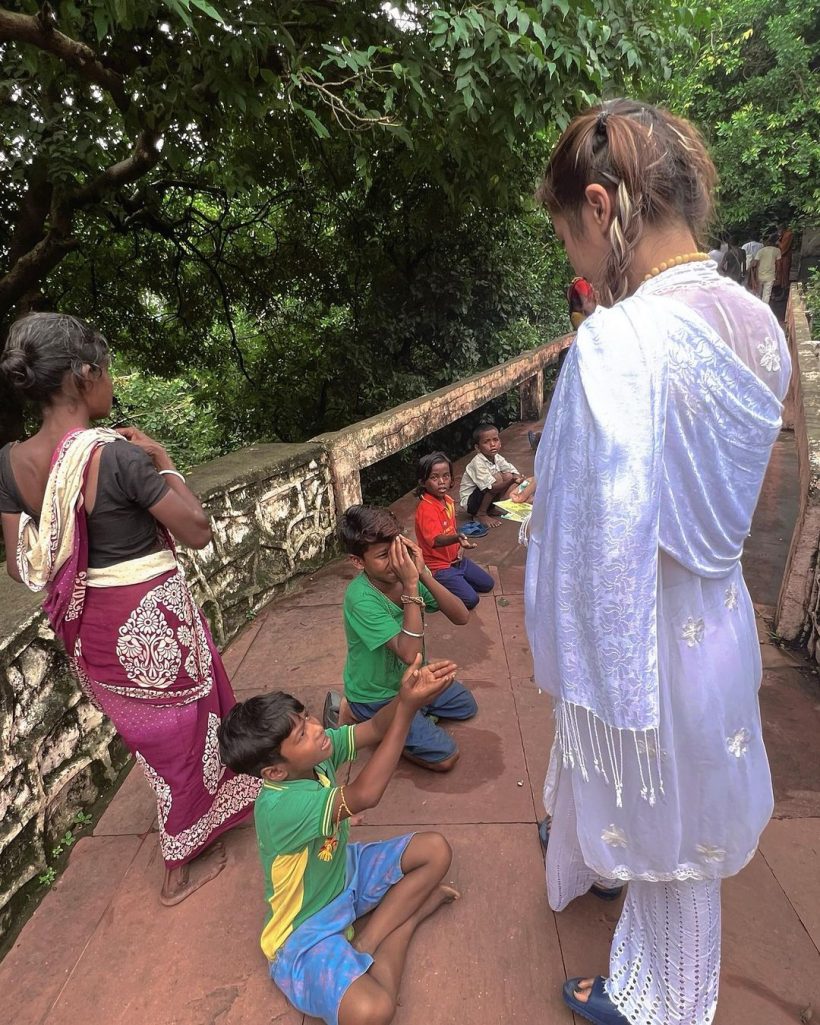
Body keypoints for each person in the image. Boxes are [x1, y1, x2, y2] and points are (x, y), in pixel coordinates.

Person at [526, 99, 790, 1025]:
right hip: (717, 620)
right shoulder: (762, 327)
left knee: (671, 845)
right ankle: (600, 877)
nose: (572, 257)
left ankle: (660, 1000)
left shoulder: (618, 343)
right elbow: (751, 502)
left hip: (644, 641)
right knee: (684, 819)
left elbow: (584, 539)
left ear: (600, 208)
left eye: (567, 232)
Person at [0, 313, 260, 906]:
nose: (111, 380)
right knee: (188, 729)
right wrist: (164, 458)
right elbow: (197, 530)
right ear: (84, 375)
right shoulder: (116, 458)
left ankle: (193, 820)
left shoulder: (8, 462)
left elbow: (21, 567)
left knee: (152, 739)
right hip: (150, 621)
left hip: (90, 631)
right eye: (107, 368)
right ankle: (180, 856)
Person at [218, 654, 460, 1025]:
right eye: (302, 734)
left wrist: (407, 694)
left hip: (344, 873)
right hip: (305, 931)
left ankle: (366, 942)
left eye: (307, 718)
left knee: (435, 850)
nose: (316, 728)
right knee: (372, 1012)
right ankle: (404, 925)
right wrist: (408, 713)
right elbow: (365, 794)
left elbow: (376, 728)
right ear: (275, 771)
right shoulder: (280, 805)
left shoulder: (316, 755)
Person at [338, 505, 475, 772]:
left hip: (413, 679)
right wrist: (411, 585)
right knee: (446, 758)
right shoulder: (360, 599)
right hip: (377, 694)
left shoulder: (408, 574)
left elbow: (461, 616)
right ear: (358, 561)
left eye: (398, 551)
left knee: (465, 706)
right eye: (383, 556)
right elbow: (409, 654)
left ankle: (411, 714)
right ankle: (364, 718)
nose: (397, 562)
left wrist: (423, 573)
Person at [413, 451, 494, 610]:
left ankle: (456, 580)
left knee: (488, 584)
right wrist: (457, 538)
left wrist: (459, 547)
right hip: (438, 566)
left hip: (457, 560)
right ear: (423, 482)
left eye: (446, 476)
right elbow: (435, 540)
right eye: (434, 477)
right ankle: (432, 583)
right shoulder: (426, 509)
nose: (441, 482)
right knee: (471, 600)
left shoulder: (448, 501)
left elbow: (449, 527)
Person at [459, 423, 532, 529]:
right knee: (497, 479)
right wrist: (513, 480)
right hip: (471, 503)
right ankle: (481, 514)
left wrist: (518, 479)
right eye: (486, 442)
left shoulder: (497, 457)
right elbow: (492, 488)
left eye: (495, 440)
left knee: (507, 475)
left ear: (500, 443)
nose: (492, 444)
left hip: (484, 495)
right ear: (478, 448)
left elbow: (512, 472)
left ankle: (490, 508)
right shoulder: (477, 462)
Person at [750, 232, 782, 304]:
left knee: (758, 293)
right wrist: (778, 275)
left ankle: (757, 307)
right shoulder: (777, 251)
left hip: (760, 275)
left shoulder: (761, 251)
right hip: (770, 276)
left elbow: (754, 264)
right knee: (767, 294)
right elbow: (779, 265)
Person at [776, 223, 794, 293]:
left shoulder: (788, 234)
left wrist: (778, 243)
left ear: (782, 229)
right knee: (780, 272)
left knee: (785, 272)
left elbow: (784, 247)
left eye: (779, 229)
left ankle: (785, 289)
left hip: (785, 256)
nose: (778, 231)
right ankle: (781, 287)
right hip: (781, 257)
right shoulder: (783, 235)